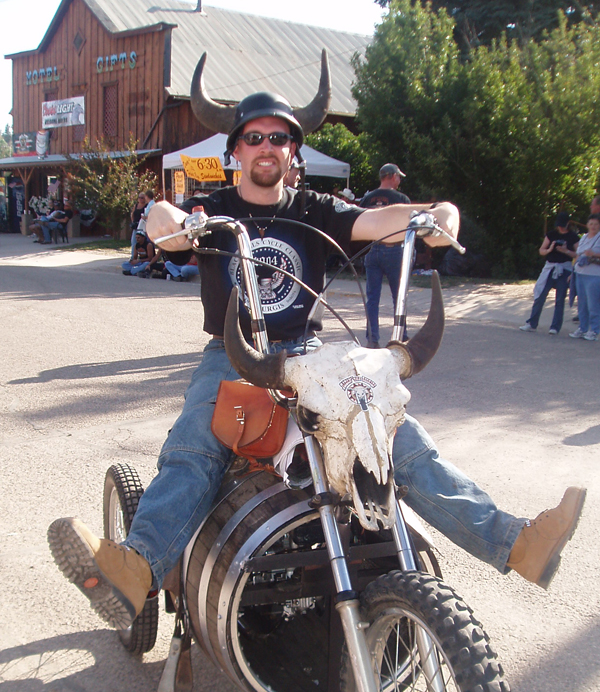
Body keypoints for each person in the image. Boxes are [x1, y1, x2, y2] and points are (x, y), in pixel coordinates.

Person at [47, 88, 585, 632]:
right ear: (236, 150)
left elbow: (381, 221)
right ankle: (136, 569)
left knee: (396, 437)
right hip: (234, 356)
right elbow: (166, 224)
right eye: (254, 137)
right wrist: (166, 219)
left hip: (308, 353)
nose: (267, 147)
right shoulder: (212, 210)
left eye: (279, 138)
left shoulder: (314, 209)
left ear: (292, 153)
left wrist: (437, 213)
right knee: (195, 447)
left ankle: (518, 543)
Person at [360, 164, 411, 347]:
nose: (399, 180)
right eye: (399, 177)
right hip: (393, 249)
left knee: (372, 298)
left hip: (372, 249)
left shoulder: (367, 198)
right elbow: (409, 225)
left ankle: (372, 339)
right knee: (399, 296)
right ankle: (400, 336)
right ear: (392, 176)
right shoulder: (401, 199)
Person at [519, 212, 579, 335]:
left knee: (560, 298)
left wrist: (566, 251)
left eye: (563, 225)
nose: (561, 228)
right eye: (559, 225)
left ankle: (555, 327)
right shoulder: (551, 234)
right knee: (540, 295)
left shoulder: (573, 237)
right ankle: (532, 323)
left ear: (568, 224)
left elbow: (578, 254)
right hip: (550, 267)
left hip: (565, 268)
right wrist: (549, 249)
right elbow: (541, 250)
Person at [569, 213, 600, 341]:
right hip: (580, 274)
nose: (593, 226)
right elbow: (577, 255)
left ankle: (594, 330)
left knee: (593, 304)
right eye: (591, 224)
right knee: (581, 303)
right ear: (587, 225)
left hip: (594, 275)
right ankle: (582, 328)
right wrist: (572, 272)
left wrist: (594, 254)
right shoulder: (584, 237)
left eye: (596, 224)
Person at [129, 193, 146, 259]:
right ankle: (133, 257)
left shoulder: (146, 206)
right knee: (134, 242)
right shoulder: (136, 205)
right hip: (136, 227)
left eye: (142, 198)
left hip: (142, 227)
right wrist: (133, 221)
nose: (140, 199)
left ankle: (144, 257)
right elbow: (132, 214)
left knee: (143, 242)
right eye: (139, 198)